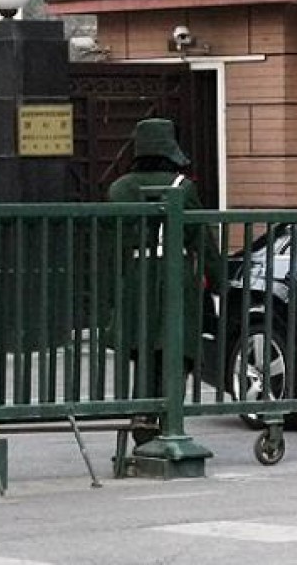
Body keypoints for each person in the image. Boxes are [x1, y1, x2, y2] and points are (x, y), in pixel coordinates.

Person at [106, 118, 222, 443]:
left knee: (143, 351)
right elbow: (201, 241)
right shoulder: (183, 187)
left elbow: (109, 243)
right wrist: (220, 281)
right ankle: (171, 422)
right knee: (178, 349)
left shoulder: (119, 189)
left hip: (135, 277)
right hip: (176, 276)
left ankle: (142, 418)